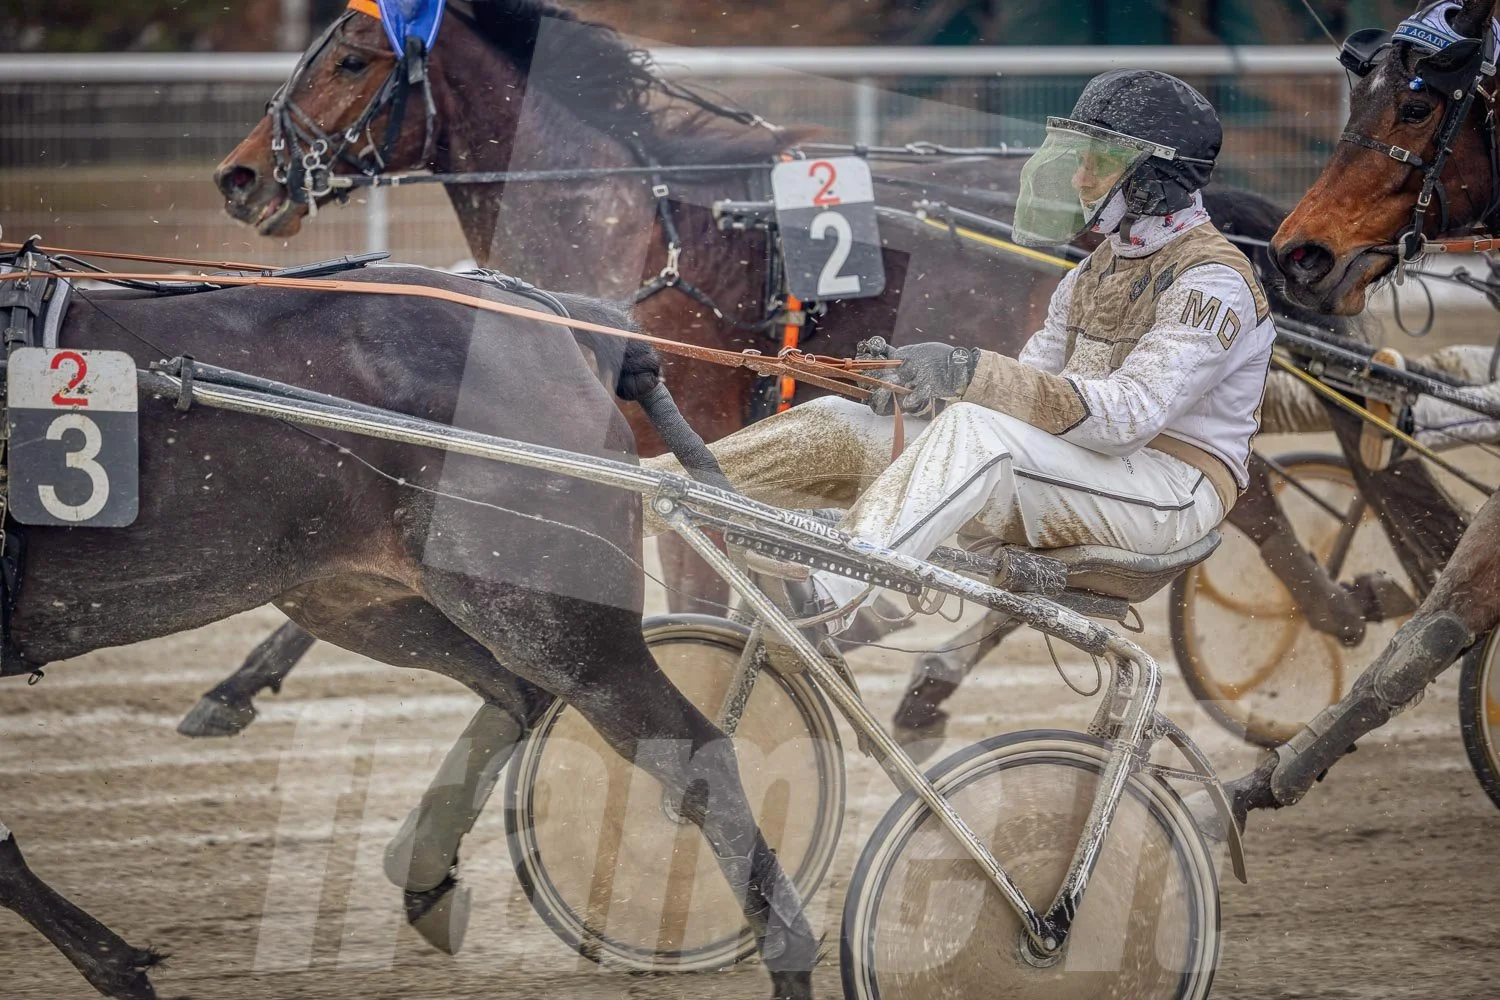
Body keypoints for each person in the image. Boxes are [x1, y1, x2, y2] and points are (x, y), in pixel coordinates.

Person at [646, 69, 1274, 634]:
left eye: (1101, 163)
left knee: (976, 432)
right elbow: (1034, 387)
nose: (1081, 177)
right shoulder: (1092, 272)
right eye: (1082, 158)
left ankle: (831, 600)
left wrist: (969, 372)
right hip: (1088, 468)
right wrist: (925, 383)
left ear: (1155, 182)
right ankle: (646, 494)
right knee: (851, 422)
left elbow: (1125, 419)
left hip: (1171, 495)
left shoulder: (1211, 282)